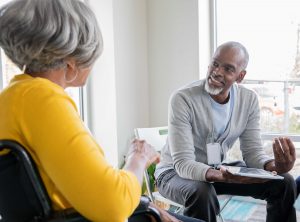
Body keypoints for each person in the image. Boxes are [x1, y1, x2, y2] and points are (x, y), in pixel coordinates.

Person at [0, 1, 204, 222]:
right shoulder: (43, 100)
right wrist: (138, 158)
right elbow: (112, 205)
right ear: (70, 61)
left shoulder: (14, 97)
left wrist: (147, 206)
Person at [154, 41, 297, 222]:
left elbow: (253, 154)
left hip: (217, 171)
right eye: (215, 63)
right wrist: (222, 175)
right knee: (201, 192)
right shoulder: (183, 99)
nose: (217, 72)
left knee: (284, 182)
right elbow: (183, 163)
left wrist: (276, 167)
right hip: (173, 174)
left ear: (240, 76)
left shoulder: (248, 100)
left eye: (228, 69)